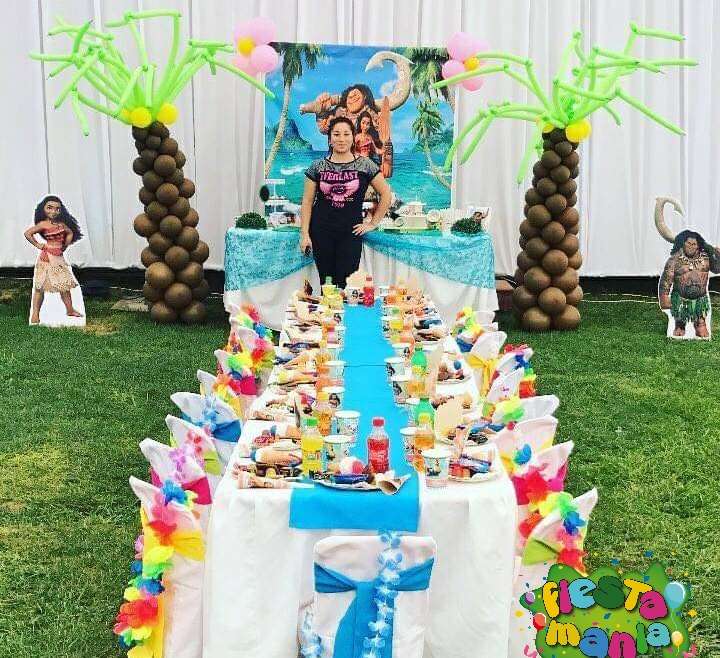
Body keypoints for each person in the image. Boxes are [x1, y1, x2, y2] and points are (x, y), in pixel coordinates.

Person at [299, 116, 392, 289]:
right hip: (321, 232)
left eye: (346, 134)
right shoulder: (317, 166)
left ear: (353, 137)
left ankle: (344, 307)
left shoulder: (365, 165)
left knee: (347, 286)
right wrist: (304, 234)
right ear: (330, 139)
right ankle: (327, 307)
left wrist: (373, 223)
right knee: (326, 284)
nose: (341, 139)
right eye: (336, 134)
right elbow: (307, 201)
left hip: (350, 234)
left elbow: (386, 193)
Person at [24, 195, 83, 324]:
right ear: (43, 209)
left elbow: (70, 232)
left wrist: (65, 245)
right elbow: (28, 233)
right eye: (50, 208)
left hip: (59, 258)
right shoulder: (43, 224)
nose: (54, 211)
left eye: (57, 209)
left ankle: (70, 309)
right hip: (47, 258)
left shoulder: (61, 224)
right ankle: (35, 313)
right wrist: (38, 245)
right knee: (40, 286)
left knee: (64, 285)